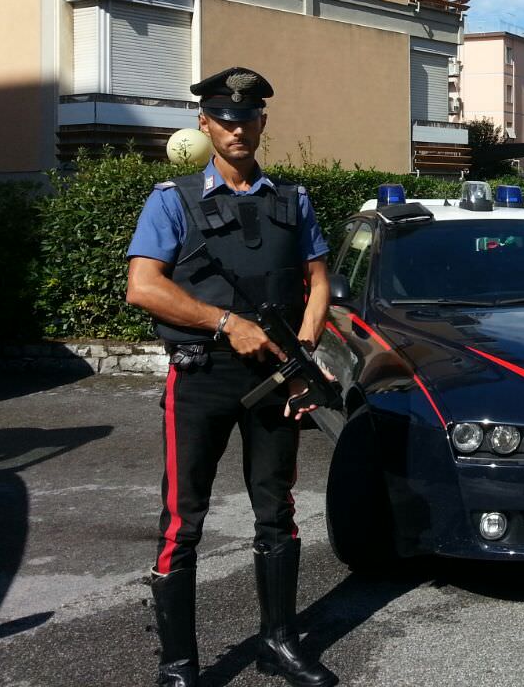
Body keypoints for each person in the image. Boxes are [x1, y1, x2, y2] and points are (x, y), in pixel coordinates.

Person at [125, 67, 336, 687]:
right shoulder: (172, 199)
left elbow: (319, 283)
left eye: (247, 116)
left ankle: (277, 643)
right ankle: (180, 664)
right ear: (205, 123)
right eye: (224, 116)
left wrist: (301, 356)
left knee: (277, 511)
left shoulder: (293, 201)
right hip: (201, 376)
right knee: (182, 519)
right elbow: (144, 286)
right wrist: (226, 324)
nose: (236, 126)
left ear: (263, 122)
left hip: (275, 376)